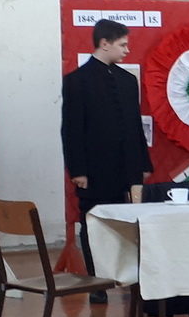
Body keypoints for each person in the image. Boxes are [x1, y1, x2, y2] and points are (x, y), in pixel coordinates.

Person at [61, 18, 152, 301]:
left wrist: (143, 164)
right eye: (122, 45)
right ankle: (97, 284)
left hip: (127, 167)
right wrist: (78, 170)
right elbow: (71, 129)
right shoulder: (77, 80)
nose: (127, 50)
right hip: (95, 169)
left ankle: (130, 278)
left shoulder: (128, 80)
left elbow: (135, 127)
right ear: (104, 43)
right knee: (93, 224)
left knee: (130, 224)